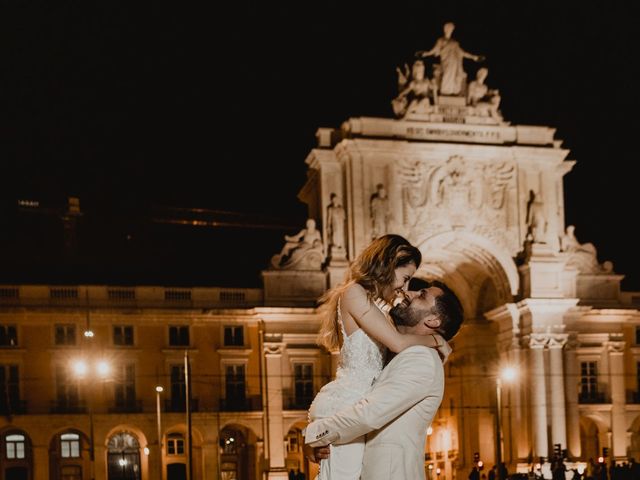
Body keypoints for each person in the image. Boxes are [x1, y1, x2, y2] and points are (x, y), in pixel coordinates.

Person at [306, 235, 452, 480]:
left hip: (355, 407)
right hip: (346, 403)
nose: (405, 290)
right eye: (405, 279)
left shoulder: (379, 309)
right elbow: (398, 343)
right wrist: (437, 340)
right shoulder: (354, 293)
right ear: (387, 264)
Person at [417, 22, 484, 96]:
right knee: (446, 76)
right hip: (446, 62)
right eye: (449, 29)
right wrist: (426, 54)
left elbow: (463, 53)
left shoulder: (454, 43)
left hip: (454, 62)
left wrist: (473, 57)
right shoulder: (441, 40)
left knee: (454, 77)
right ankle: (445, 92)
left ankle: (453, 92)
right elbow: (434, 50)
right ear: (445, 29)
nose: (450, 30)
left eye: (451, 29)